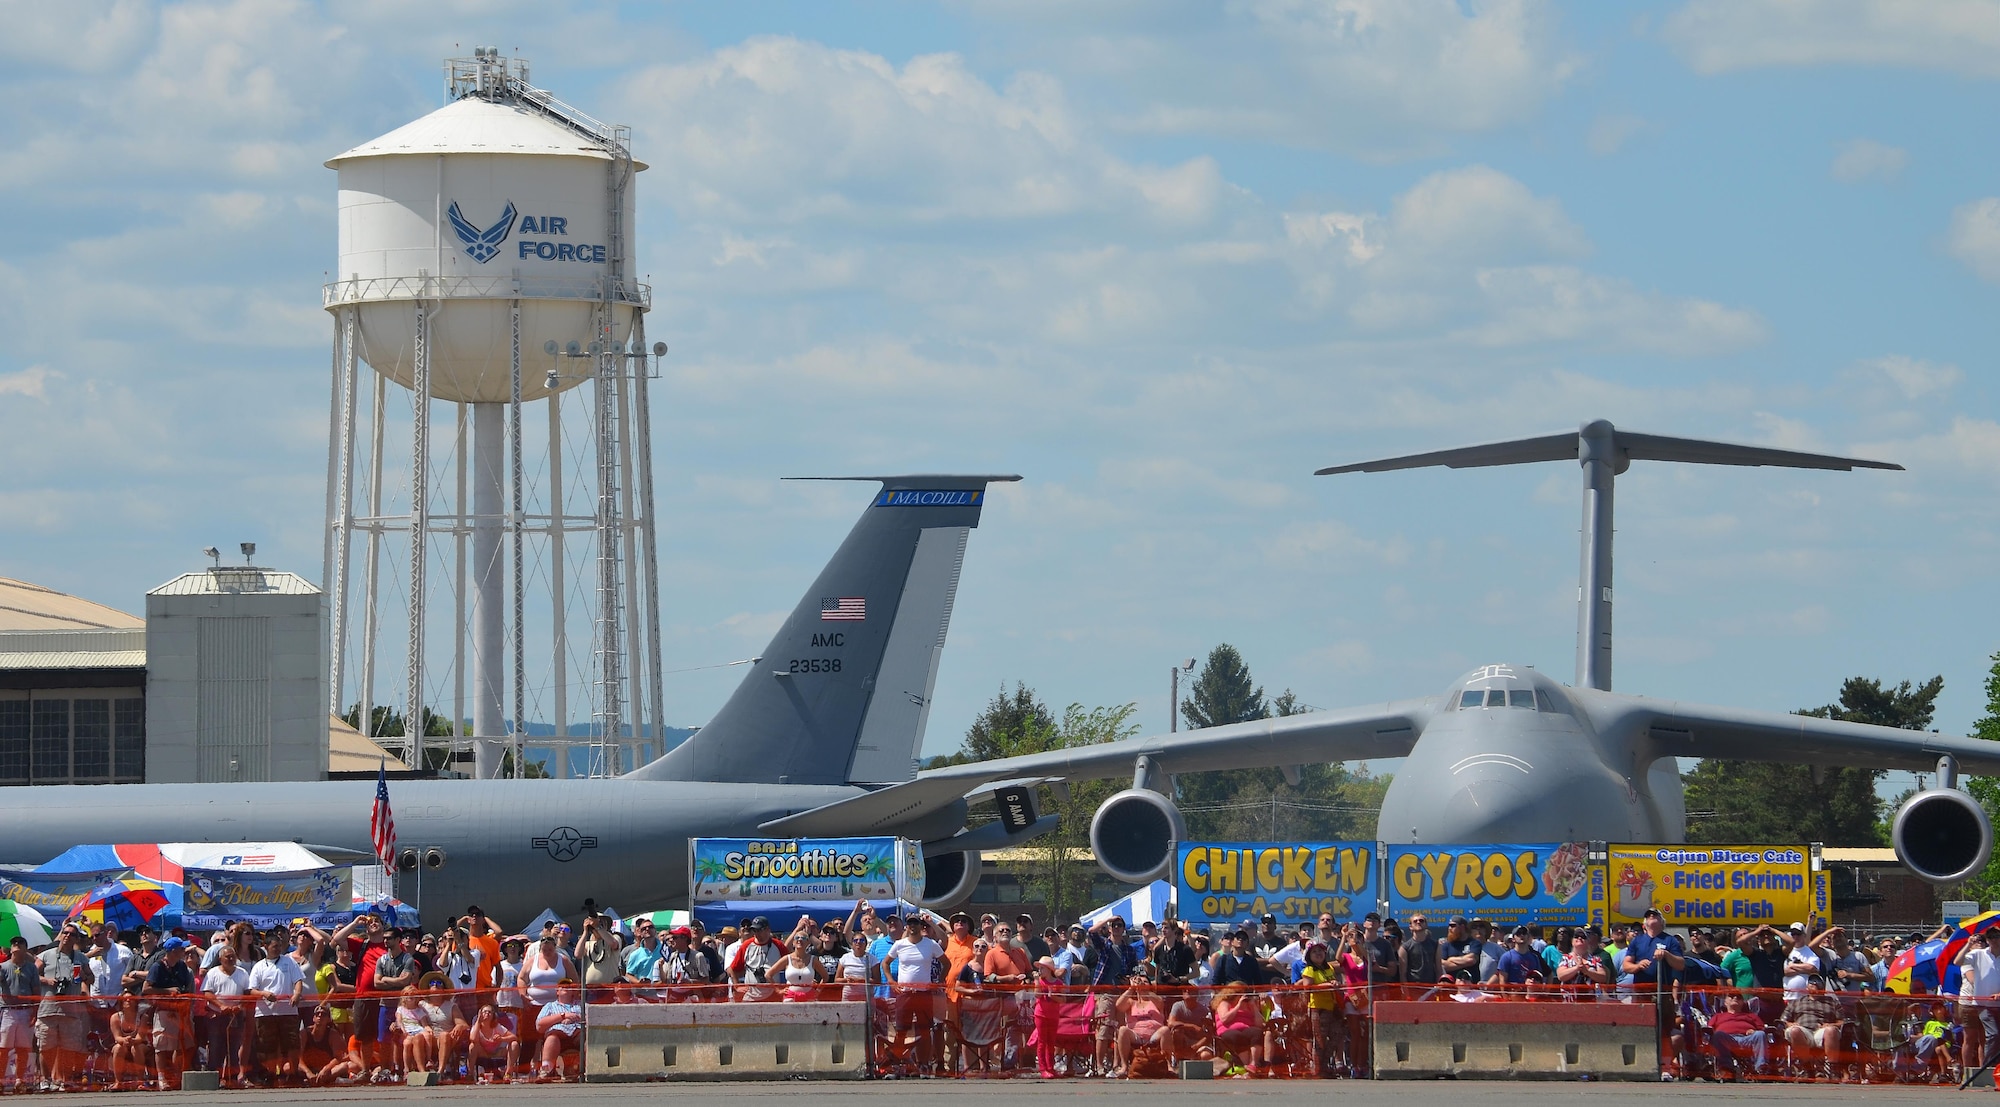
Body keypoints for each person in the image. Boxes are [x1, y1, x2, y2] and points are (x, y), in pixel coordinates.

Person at [37, 923, 93, 1091]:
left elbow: (91, 978)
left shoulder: (81, 958)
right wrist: (47, 981)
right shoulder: (46, 955)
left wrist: (84, 976)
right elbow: (34, 975)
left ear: (76, 938)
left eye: (72, 934)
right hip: (48, 1008)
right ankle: (45, 1080)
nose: (67, 936)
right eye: (65, 932)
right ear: (61, 934)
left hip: (71, 1010)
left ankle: (64, 1080)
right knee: (46, 1047)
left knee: (69, 1048)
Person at [248, 928, 308, 1084]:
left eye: (280, 946)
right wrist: (264, 994)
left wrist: (296, 994)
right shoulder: (259, 966)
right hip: (265, 1013)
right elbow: (251, 990)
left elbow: (298, 981)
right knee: (268, 1045)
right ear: (266, 946)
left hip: (288, 1011)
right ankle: (271, 1074)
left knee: (292, 1043)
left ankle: (293, 1074)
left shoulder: (289, 962)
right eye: (275, 946)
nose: (278, 949)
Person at [886, 916, 944, 1073]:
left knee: (924, 1030)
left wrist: (938, 982)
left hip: (924, 993)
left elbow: (947, 963)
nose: (913, 926)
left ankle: (923, 1064)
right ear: (906, 926)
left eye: (916, 923)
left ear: (920, 926)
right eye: (910, 923)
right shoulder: (900, 944)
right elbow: (885, 963)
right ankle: (896, 1065)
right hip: (905, 993)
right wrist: (892, 981)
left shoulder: (930, 944)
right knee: (901, 1030)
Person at [142, 936, 196, 1090]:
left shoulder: (182, 966)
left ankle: (176, 1075)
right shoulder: (157, 967)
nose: (184, 951)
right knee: (161, 1046)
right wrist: (167, 990)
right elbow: (146, 988)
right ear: (173, 951)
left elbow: (186, 986)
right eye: (181, 949)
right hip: (163, 1011)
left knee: (180, 1045)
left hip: (180, 1011)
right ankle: (162, 1078)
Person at [201, 943, 253, 1088]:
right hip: (217, 1016)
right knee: (216, 1047)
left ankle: (232, 1078)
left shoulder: (242, 973)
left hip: (236, 1016)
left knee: (234, 1048)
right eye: (227, 957)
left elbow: (247, 993)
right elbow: (207, 993)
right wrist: (221, 1006)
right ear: (220, 959)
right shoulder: (212, 973)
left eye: (233, 957)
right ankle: (214, 1079)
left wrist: (240, 1006)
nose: (230, 959)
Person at [1955, 926, 2000, 1074]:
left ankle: (1990, 1068)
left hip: (1998, 1004)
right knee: (1989, 1035)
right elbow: (1957, 961)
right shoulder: (1977, 954)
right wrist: (1968, 944)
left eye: (1997, 936)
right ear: (1988, 940)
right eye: (1992, 937)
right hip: (1982, 1004)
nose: (1995, 940)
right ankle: (1984, 1070)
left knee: (1988, 1038)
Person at [0, 938, 42, 1093]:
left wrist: (35, 1012)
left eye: (20, 943)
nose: (16, 946)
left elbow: (36, 991)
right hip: (8, 1011)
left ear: (26, 949)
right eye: (14, 944)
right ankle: (1, 1080)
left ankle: (20, 1081)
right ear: (10, 948)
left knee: (23, 1048)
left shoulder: (31, 968)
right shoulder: (3, 967)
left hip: (25, 1011)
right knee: (3, 1048)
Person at [1780, 975, 1846, 1074]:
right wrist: (1790, 1024)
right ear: (1807, 987)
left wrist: (1831, 1024)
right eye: (1812, 983)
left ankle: (1833, 1070)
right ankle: (1807, 1067)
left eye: (1818, 984)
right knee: (1794, 1031)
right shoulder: (1797, 1002)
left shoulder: (1832, 1002)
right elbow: (1783, 1020)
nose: (1815, 986)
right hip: (1804, 1031)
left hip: (1822, 1031)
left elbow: (1842, 1021)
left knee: (1831, 1031)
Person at [1299, 941, 1342, 1075]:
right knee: (1319, 1039)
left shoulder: (1329, 967)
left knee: (1337, 1035)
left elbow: (1333, 981)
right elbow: (1307, 988)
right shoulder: (1309, 970)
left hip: (1332, 1006)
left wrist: (1335, 983)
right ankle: (1318, 1069)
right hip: (1317, 1008)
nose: (1318, 954)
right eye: (1314, 952)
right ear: (1309, 956)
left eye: (1321, 951)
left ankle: (1324, 1064)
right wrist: (1327, 985)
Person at [1112, 980, 1168, 1077]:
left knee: (1165, 1030)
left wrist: (1145, 991)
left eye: (1145, 982)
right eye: (1139, 981)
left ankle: (1169, 1065)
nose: (1141, 983)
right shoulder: (1131, 1002)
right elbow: (1119, 1006)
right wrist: (1131, 988)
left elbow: (1160, 1003)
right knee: (1122, 1030)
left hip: (1154, 1034)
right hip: (1135, 1035)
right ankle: (1124, 1066)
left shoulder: (1155, 1000)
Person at [1707, 989, 1768, 1077]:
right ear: (1725, 1002)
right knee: (1717, 1035)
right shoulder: (1718, 1016)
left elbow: (1762, 1029)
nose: (1735, 998)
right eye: (1731, 996)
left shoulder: (1751, 1016)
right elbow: (1709, 1028)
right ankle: (1726, 1068)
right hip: (1726, 1039)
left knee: (1760, 1034)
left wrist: (1754, 1031)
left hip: (1747, 1039)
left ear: (1743, 1002)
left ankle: (1761, 1068)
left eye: (1739, 997)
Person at [298, 1003, 361, 1086]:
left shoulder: (333, 1035)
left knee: (348, 1066)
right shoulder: (304, 1034)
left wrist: (326, 1068)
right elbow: (298, 1057)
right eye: (317, 1014)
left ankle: (320, 1080)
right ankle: (316, 1079)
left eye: (323, 1014)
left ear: (328, 1019)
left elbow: (339, 1057)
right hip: (308, 1068)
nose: (320, 1016)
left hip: (327, 1070)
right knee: (288, 1067)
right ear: (313, 1018)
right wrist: (308, 1072)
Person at [533, 983, 585, 1082]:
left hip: (578, 1033)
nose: (566, 987)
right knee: (552, 1037)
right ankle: (547, 1071)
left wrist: (575, 1018)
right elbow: (539, 1026)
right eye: (563, 986)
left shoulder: (581, 1004)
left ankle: (585, 1070)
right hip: (559, 1033)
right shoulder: (550, 1006)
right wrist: (563, 1016)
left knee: (589, 1038)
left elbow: (592, 1017)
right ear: (557, 991)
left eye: (569, 986)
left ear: (573, 991)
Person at [1211, 983, 1266, 1075]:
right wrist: (1238, 1006)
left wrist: (1254, 1008)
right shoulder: (1224, 1003)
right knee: (1236, 1036)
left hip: (1247, 1029)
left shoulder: (1248, 1005)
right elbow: (1224, 1019)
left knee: (1257, 1032)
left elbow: (1260, 1024)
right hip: (1228, 1031)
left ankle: (1253, 1063)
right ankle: (1246, 1064)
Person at [727, 916, 785, 1002]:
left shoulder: (778, 945)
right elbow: (732, 969)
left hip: (773, 994)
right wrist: (737, 986)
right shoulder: (746, 945)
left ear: (768, 930)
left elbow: (790, 963)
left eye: (759, 930)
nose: (756, 933)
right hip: (751, 995)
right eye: (754, 930)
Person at [467, 1004, 519, 1084]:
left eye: (489, 1012)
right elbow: (473, 1039)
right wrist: (478, 1021)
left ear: (493, 1015)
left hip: (497, 1052)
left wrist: (501, 1039)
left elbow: (514, 1037)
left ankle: (508, 1074)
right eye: (484, 1012)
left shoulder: (497, 1027)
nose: (487, 1014)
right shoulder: (477, 1026)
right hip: (483, 1053)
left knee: (514, 1044)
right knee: (472, 1046)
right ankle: (470, 1075)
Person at [108, 993, 150, 1090]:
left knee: (136, 1048)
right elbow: (117, 1037)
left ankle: (140, 1081)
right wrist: (125, 1040)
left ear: (136, 1002)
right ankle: (118, 1082)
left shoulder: (143, 1017)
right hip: (122, 1043)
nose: (128, 1001)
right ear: (121, 1003)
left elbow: (140, 1037)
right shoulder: (115, 1017)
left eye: (131, 999)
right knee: (118, 1048)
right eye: (125, 999)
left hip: (140, 1044)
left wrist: (133, 1040)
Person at [394, 986, 434, 1076]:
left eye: (412, 994)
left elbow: (424, 1024)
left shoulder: (419, 1010)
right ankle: (406, 1068)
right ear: (403, 997)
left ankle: (428, 1059)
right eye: (407, 994)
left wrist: (428, 1028)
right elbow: (399, 1021)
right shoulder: (401, 1009)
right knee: (407, 1044)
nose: (410, 996)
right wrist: (404, 1031)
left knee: (427, 1035)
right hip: (407, 1030)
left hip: (417, 1029)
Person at [1400, 914, 1440, 993]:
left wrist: (1439, 987)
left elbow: (1439, 969)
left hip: (1431, 988)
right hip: (1413, 989)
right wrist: (1405, 991)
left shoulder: (1435, 944)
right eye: (1415, 921)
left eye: (1421, 921)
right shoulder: (1405, 947)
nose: (1418, 922)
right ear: (1410, 926)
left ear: (1426, 925)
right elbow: (1402, 973)